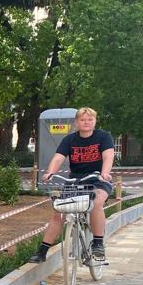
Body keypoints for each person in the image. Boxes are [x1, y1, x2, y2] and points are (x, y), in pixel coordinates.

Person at [30, 107, 115, 263]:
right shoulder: (69, 139)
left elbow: (108, 156)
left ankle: (97, 243)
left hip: (98, 179)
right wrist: (50, 172)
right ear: (76, 122)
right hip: (75, 181)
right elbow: (58, 157)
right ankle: (42, 251)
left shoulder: (104, 137)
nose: (87, 122)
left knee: (96, 203)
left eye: (90, 119)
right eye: (83, 120)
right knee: (59, 212)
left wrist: (104, 173)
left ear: (95, 121)